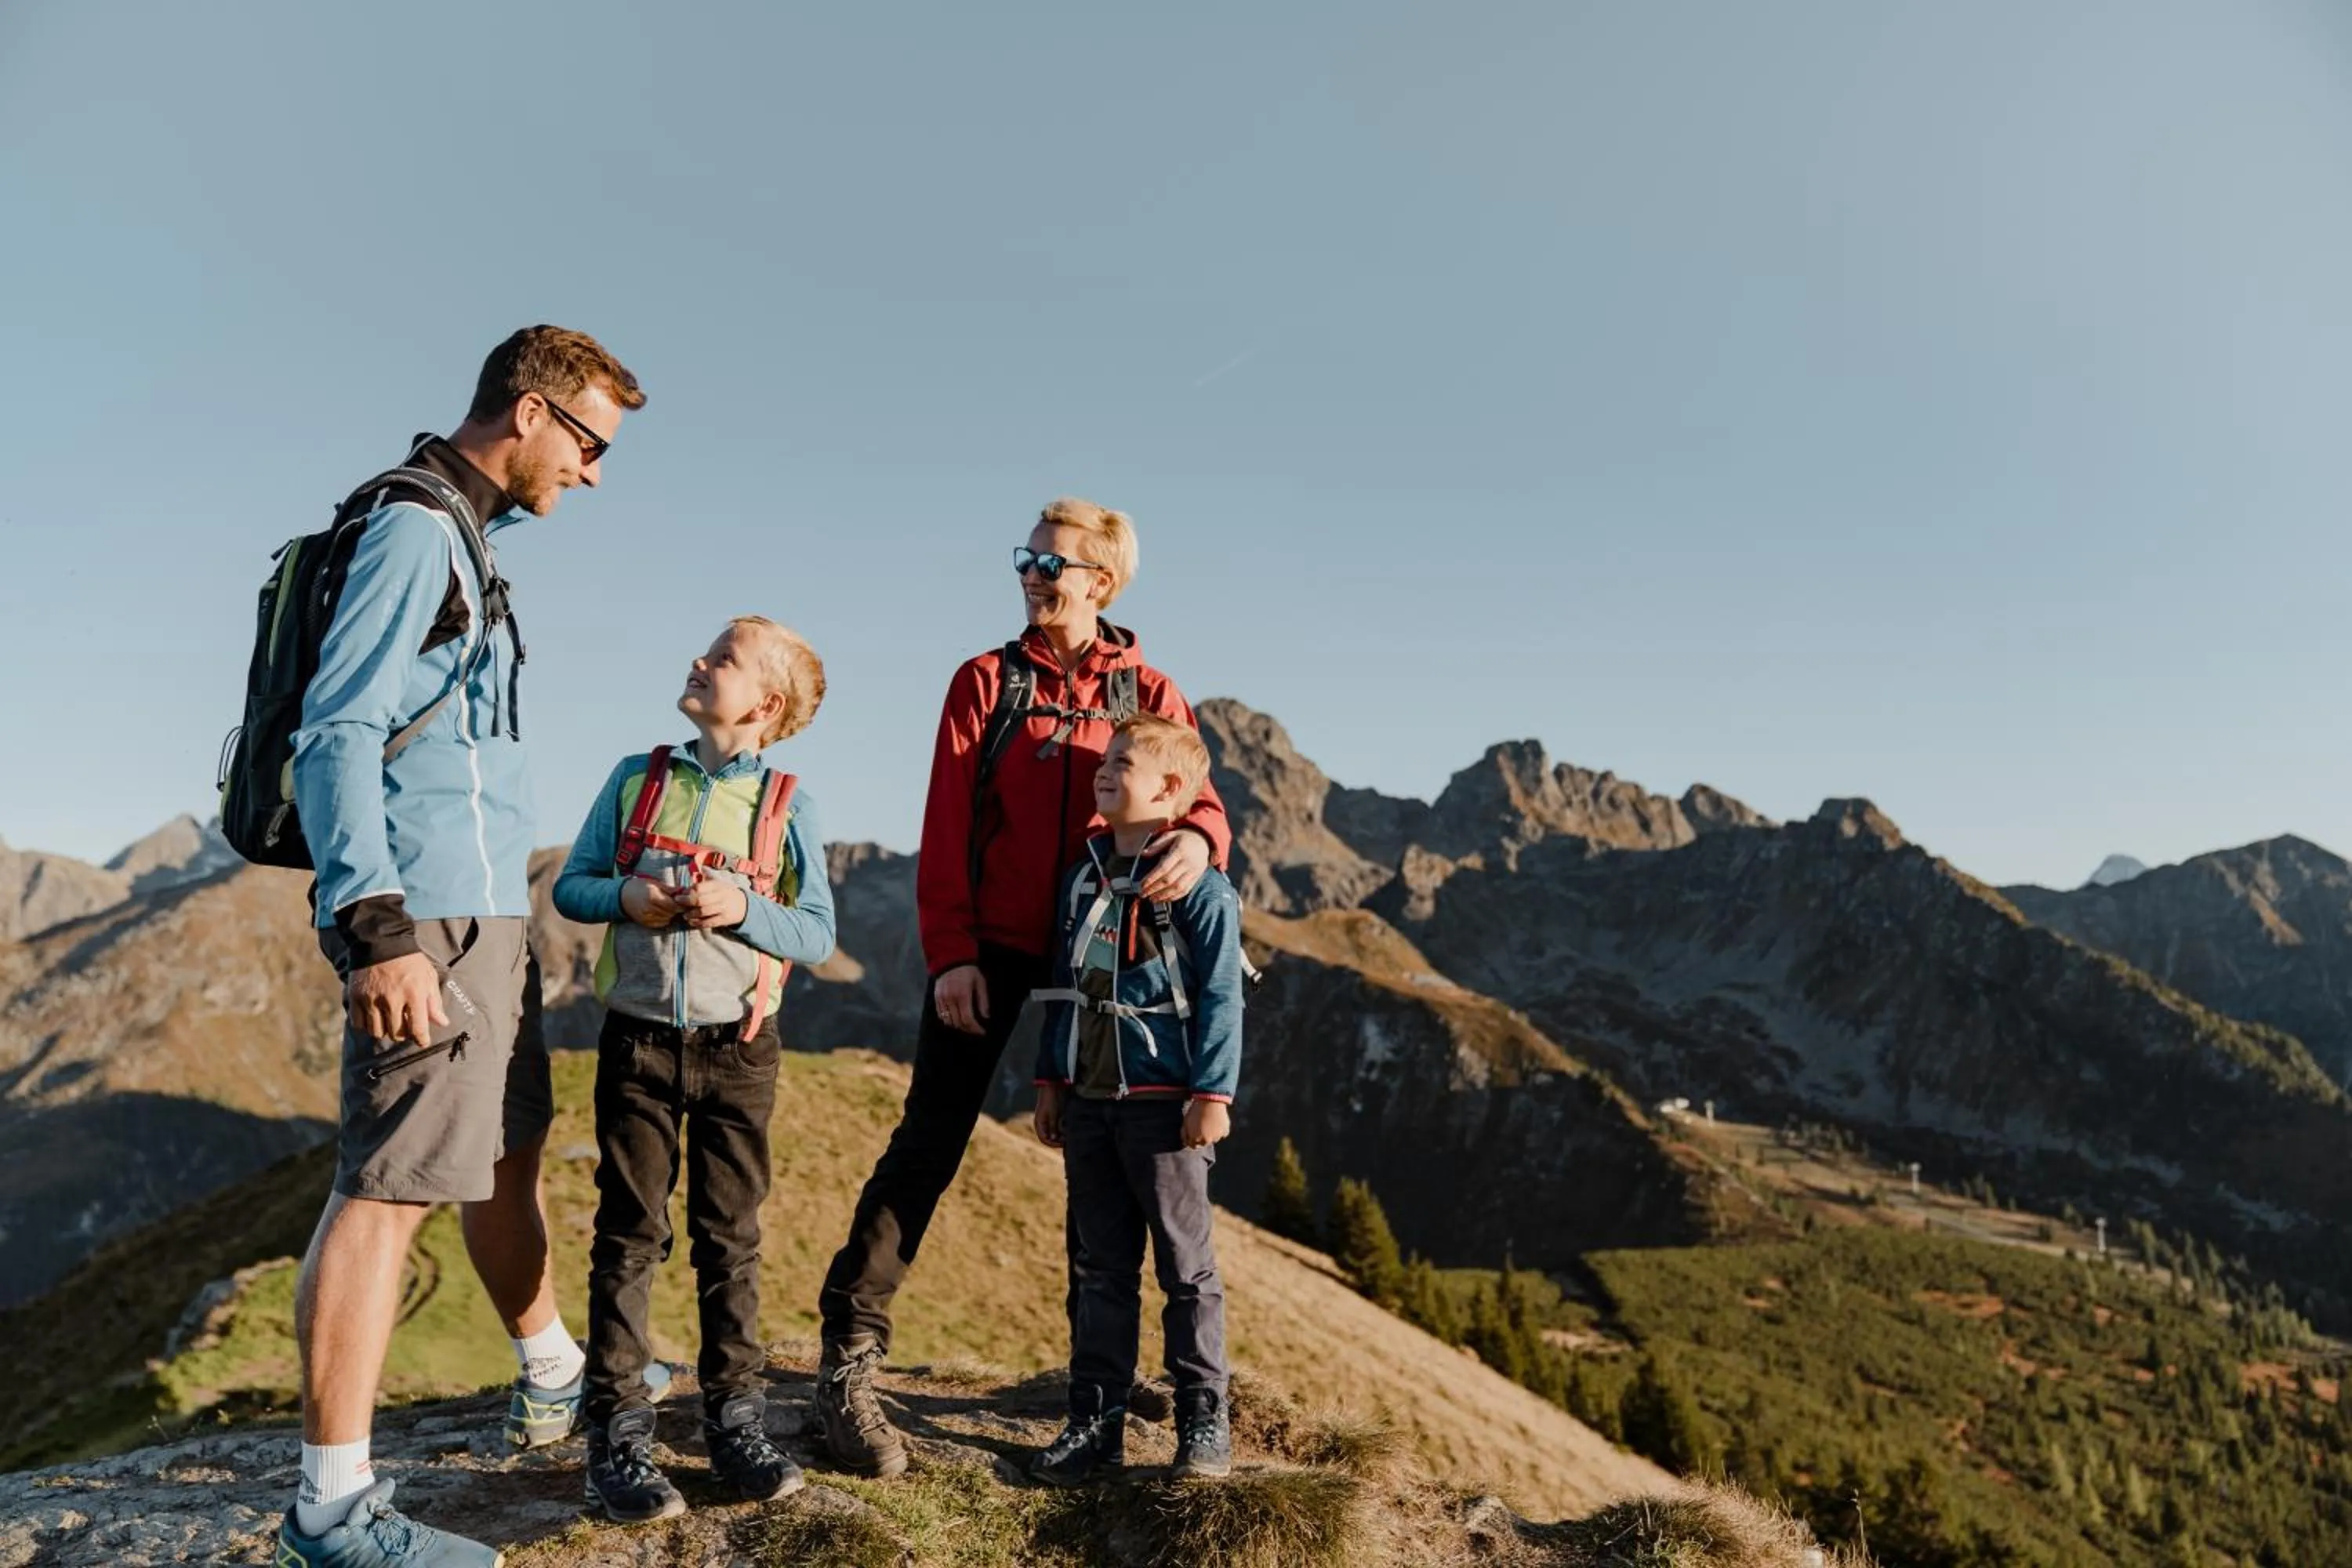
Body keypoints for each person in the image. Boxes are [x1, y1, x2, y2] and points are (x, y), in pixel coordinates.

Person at [279, 327, 643, 1568]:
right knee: (384, 1194)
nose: (595, 474)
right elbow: (335, 733)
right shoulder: (417, 532)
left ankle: (549, 1368)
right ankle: (329, 1518)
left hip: (489, 914)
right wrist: (375, 932)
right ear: (531, 412)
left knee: (503, 1150)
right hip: (421, 913)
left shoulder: (470, 528)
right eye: (589, 444)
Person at [813, 498, 1232, 1478]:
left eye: (1054, 564)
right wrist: (953, 950)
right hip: (993, 951)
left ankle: (1102, 1375)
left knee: (1105, 1155)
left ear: (1104, 581)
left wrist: (1199, 840)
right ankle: (847, 1359)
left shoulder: (1152, 687)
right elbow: (947, 819)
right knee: (929, 1141)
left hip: (1107, 950)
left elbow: (1198, 795)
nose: (1034, 576)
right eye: (1027, 560)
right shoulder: (986, 681)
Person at [550, 617, 837, 1523]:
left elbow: (816, 933)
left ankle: (735, 1422)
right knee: (628, 1233)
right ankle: (619, 1434)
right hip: (636, 1040)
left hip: (741, 1050)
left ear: (765, 704)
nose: (699, 661)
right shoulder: (638, 779)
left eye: (723, 658)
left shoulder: (788, 803)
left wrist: (743, 904)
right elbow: (573, 885)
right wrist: (628, 896)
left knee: (729, 1235)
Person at [1028, 716, 1244, 1486]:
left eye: (1125, 760)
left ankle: (1202, 1420)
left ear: (1173, 791)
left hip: (1165, 1106)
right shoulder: (1083, 874)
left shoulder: (1201, 886)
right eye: (1105, 759)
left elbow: (1222, 994)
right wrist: (1051, 1079)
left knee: (1186, 1268)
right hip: (1089, 1100)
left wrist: (1212, 1093)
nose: (1105, 768)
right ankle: (1094, 1422)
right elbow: (1063, 984)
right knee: (1100, 1267)